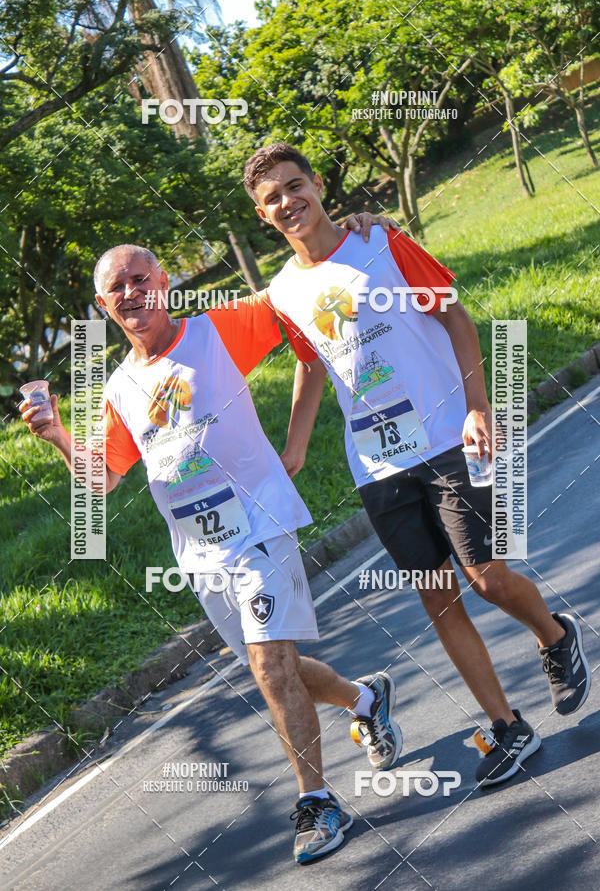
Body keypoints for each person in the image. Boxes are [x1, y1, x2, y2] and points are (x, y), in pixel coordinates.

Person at [19, 243, 405, 864]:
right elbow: (104, 478)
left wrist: (341, 234)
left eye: (141, 278)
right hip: (201, 551)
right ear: (102, 304)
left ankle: (317, 802)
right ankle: (366, 699)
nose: (131, 292)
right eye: (118, 286)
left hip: (260, 522)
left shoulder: (217, 329)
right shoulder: (119, 387)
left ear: (164, 281)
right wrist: (60, 435)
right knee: (273, 666)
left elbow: (297, 297)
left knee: (270, 665)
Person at [242, 141, 591, 787]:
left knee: (486, 578)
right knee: (438, 597)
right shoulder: (283, 290)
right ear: (262, 216)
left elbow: (455, 315)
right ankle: (508, 726)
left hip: (447, 436)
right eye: (273, 199)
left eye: (295, 186)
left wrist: (478, 406)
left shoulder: (380, 242)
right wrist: (294, 447)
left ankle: (554, 634)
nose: (288, 202)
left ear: (317, 184)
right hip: (377, 465)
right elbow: (310, 363)